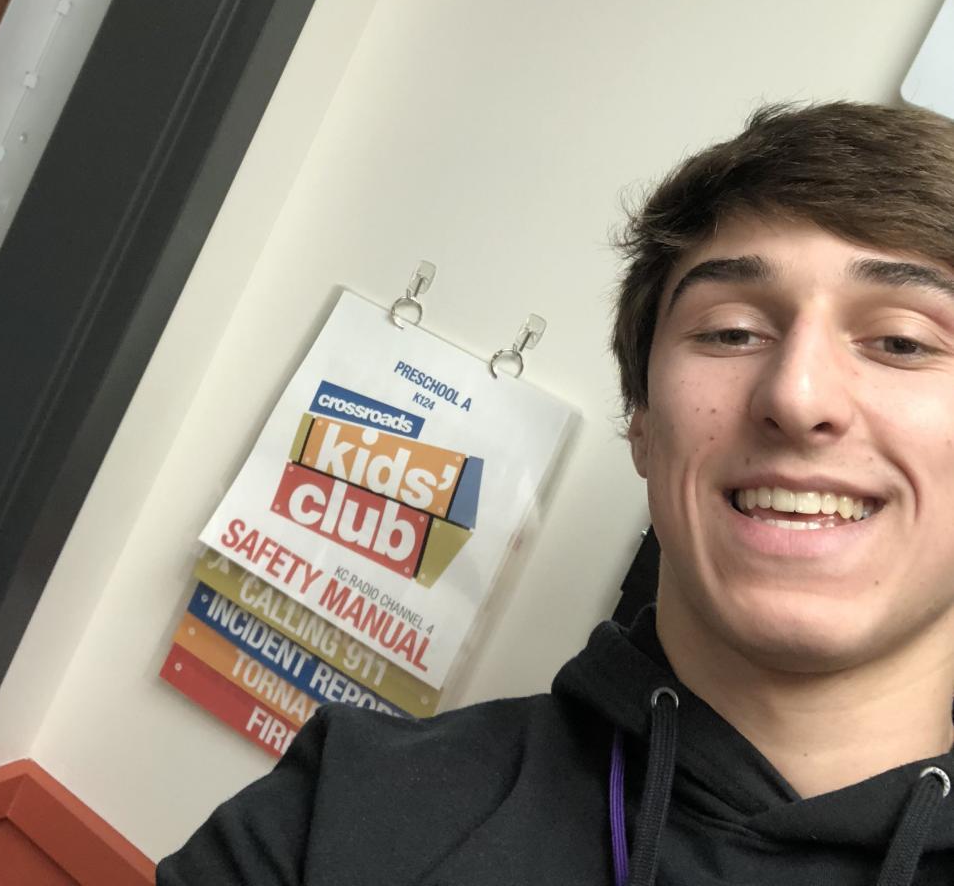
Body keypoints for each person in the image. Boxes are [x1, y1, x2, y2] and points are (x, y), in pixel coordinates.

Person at [157, 100, 954, 885]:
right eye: (732, 332)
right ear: (642, 425)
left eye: (903, 341)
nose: (797, 395)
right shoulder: (338, 812)